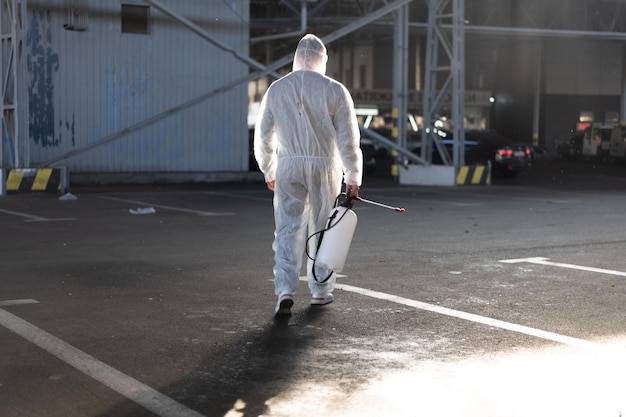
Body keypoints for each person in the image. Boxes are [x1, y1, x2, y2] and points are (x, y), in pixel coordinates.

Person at [254, 34, 363, 316]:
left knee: (288, 229)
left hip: (288, 165)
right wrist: (353, 177)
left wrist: (269, 168)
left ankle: (285, 290)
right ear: (321, 59)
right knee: (323, 227)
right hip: (325, 166)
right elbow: (348, 140)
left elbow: (263, 135)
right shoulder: (335, 90)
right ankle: (320, 291)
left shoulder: (277, 89)